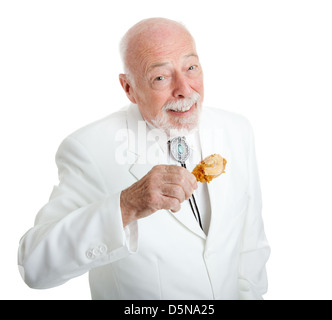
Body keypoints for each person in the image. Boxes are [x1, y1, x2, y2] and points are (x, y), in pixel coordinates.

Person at [17, 17, 270, 300]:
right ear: (128, 88)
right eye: (160, 77)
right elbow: (34, 266)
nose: (185, 89)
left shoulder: (238, 130)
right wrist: (126, 206)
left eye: (191, 67)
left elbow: (251, 247)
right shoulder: (87, 148)